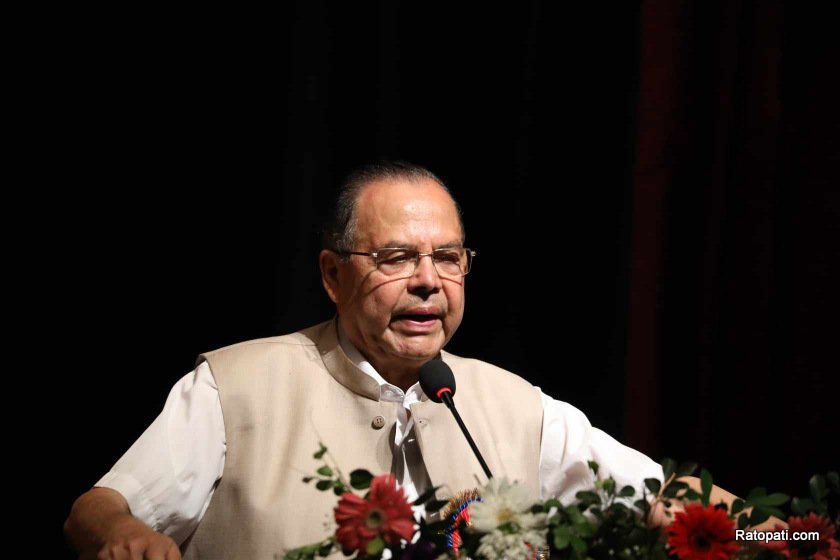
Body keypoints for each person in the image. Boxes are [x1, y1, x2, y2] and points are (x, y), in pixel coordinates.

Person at [64, 161, 755, 559]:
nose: (429, 281)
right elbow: (96, 509)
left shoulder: (513, 406)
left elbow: (659, 502)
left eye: (448, 258)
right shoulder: (236, 387)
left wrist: (794, 533)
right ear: (333, 275)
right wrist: (122, 533)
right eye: (396, 258)